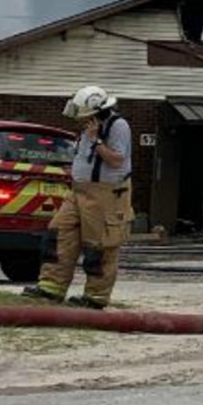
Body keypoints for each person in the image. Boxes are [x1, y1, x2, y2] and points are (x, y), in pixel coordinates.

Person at [22, 85, 133, 310]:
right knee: (59, 233)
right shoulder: (89, 127)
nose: (80, 119)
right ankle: (51, 287)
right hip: (79, 192)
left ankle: (95, 297)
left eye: (84, 114)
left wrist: (96, 141)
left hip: (106, 194)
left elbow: (116, 160)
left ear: (96, 111)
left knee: (99, 245)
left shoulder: (117, 126)